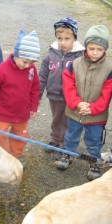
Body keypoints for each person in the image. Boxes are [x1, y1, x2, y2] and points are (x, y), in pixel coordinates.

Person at [55, 25, 112, 181]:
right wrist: (77, 103)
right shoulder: (74, 64)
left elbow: (107, 95)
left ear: (104, 49)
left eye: (99, 49)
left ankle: (94, 161)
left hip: (96, 117)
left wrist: (93, 109)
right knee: (71, 136)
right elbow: (69, 87)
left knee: (94, 141)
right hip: (75, 112)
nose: (94, 52)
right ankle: (68, 154)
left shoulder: (109, 69)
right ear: (86, 46)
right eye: (91, 48)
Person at [0, 29, 40, 161]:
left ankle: (16, 155)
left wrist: (33, 107)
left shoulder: (31, 69)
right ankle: (4, 155)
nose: (27, 65)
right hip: (4, 113)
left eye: (31, 63)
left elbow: (35, 89)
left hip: (22, 113)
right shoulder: (2, 70)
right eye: (25, 61)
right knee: (1, 135)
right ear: (16, 54)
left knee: (20, 136)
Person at [39, 17, 84, 151]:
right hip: (53, 94)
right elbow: (42, 76)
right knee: (56, 117)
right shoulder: (50, 54)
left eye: (67, 39)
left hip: (70, 97)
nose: (63, 42)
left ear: (74, 38)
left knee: (67, 121)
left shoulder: (80, 56)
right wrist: (38, 94)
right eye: (60, 38)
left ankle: (65, 145)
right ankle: (54, 139)